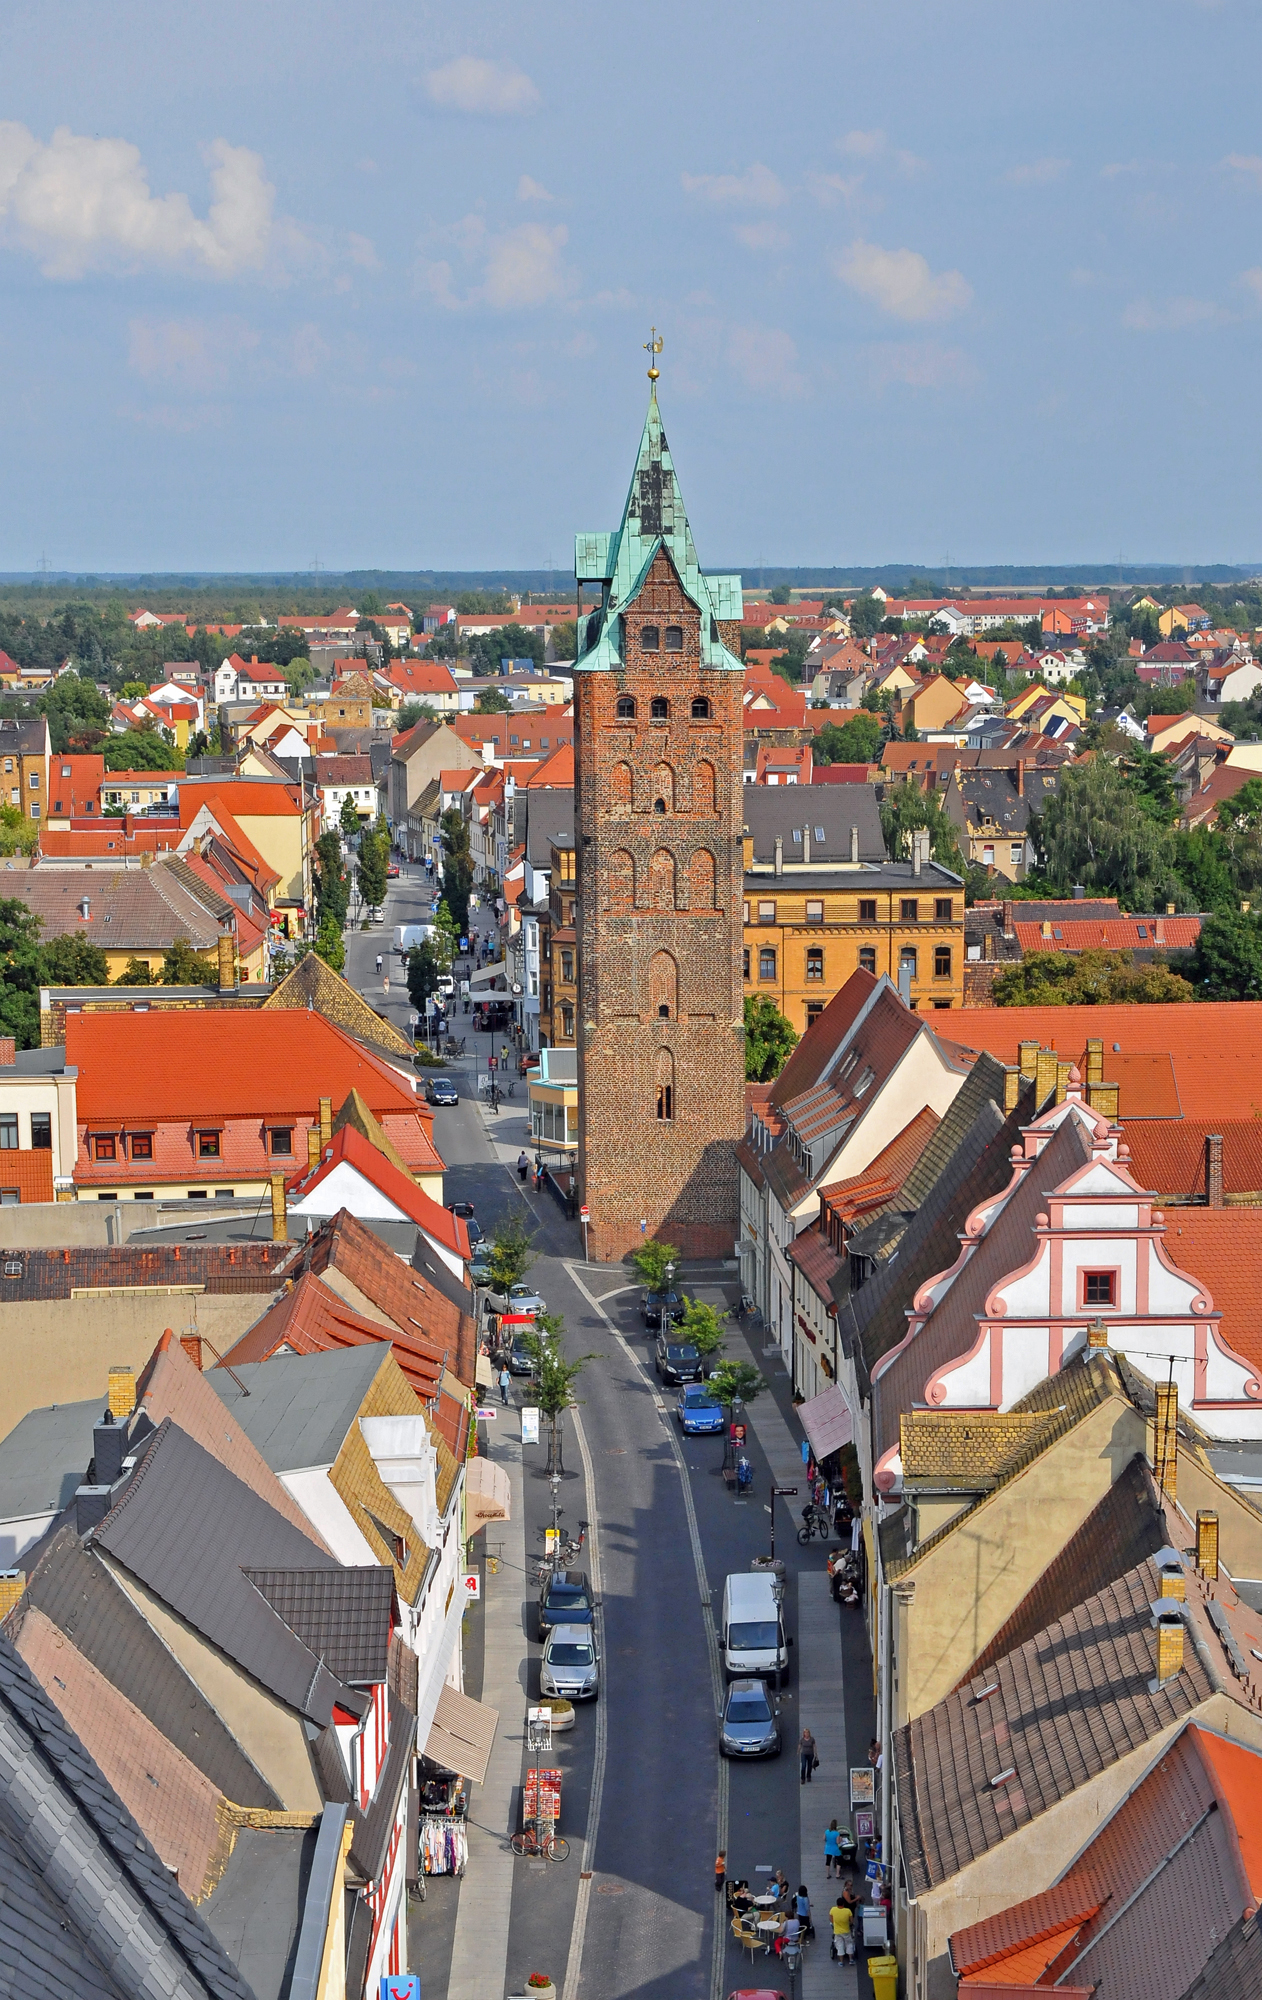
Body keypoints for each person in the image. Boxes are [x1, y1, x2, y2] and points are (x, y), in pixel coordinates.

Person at [831, 1895, 855, 1964]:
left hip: (837, 1931)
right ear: (843, 1904)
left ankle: (841, 1961)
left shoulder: (833, 1909)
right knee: (849, 1944)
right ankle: (851, 1960)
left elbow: (831, 1919)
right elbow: (851, 1921)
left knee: (839, 1945)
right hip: (846, 1931)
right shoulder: (848, 1911)